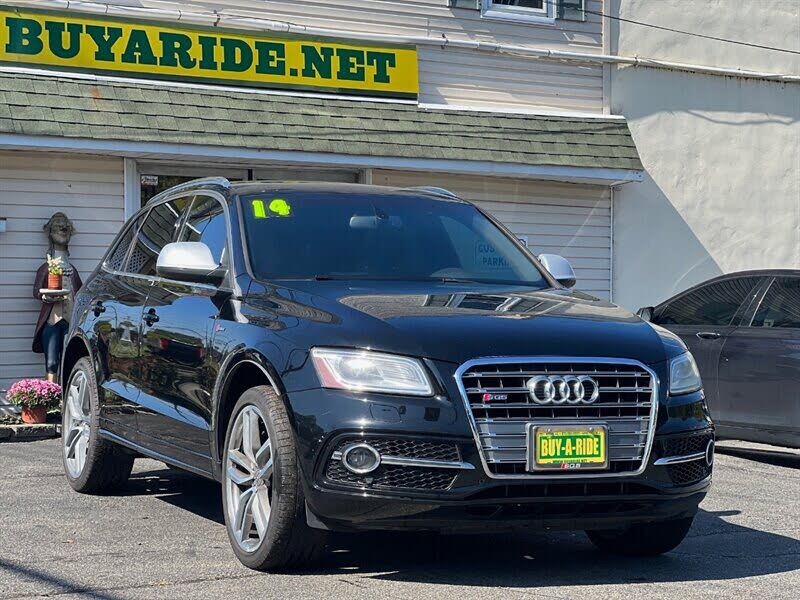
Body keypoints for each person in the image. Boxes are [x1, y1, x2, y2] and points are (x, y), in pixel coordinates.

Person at [32, 212, 82, 382]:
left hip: (70, 323)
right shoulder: (45, 268)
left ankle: (65, 398)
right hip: (52, 322)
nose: (62, 229)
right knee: (52, 362)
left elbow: (80, 292)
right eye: (58, 226)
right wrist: (45, 296)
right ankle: (51, 398)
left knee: (69, 360)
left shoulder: (73, 270)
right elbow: (37, 290)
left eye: (65, 226)